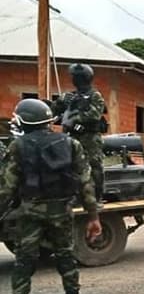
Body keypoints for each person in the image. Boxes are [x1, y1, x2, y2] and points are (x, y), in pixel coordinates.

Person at [0, 98, 101, 294]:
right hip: (61, 210)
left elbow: (7, 187)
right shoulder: (71, 144)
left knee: (25, 260)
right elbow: (86, 182)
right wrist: (93, 216)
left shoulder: (18, 146)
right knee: (66, 257)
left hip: (30, 211)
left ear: (24, 120)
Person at [51, 63, 107, 201]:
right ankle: (74, 195)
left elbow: (94, 115)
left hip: (90, 138)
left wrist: (75, 118)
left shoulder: (94, 95)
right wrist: (60, 102)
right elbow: (53, 112)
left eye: (75, 77)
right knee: (70, 166)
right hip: (70, 137)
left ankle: (97, 196)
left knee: (94, 167)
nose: (73, 79)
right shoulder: (70, 95)